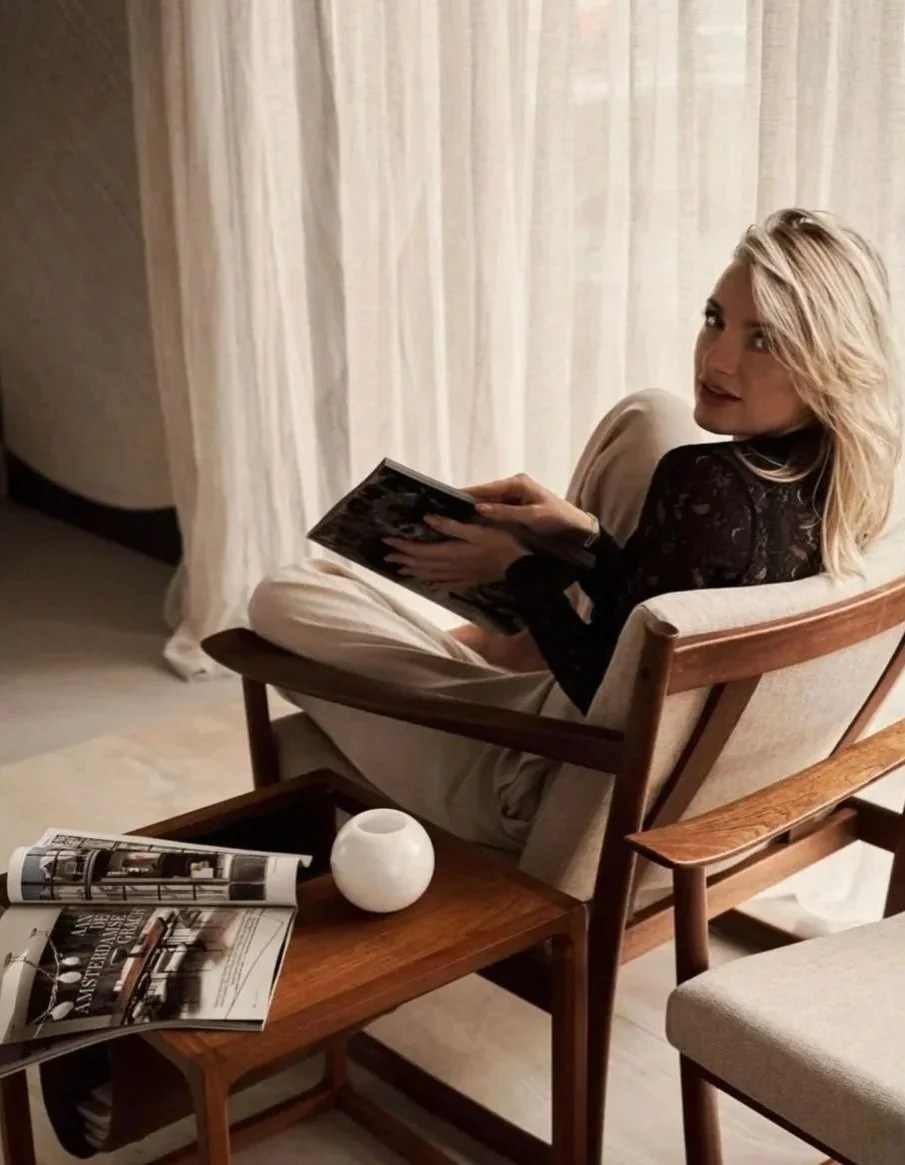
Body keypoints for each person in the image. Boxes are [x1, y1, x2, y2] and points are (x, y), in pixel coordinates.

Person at [249, 208, 903, 851]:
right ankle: (482, 653)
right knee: (650, 412)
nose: (718, 357)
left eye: (764, 339)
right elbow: (669, 620)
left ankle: (477, 653)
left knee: (287, 594)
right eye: (714, 319)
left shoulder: (707, 483)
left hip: (539, 776)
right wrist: (581, 541)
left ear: (827, 360)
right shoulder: (848, 477)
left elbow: (602, 690)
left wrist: (519, 567)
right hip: (685, 776)